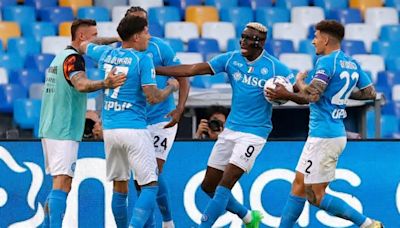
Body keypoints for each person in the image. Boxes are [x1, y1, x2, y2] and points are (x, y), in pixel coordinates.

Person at [156, 22, 294, 227]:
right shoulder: (231, 58)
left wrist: (287, 95)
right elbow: (194, 68)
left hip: (254, 134)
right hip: (231, 129)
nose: (242, 41)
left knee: (223, 188)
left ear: (260, 42)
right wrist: (157, 70)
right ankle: (248, 217)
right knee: (208, 186)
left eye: (248, 38)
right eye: (242, 36)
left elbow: (302, 95)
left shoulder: (276, 68)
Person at [265, 20, 383, 228]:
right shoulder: (351, 62)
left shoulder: (327, 62)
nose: (313, 42)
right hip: (330, 133)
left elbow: (312, 95)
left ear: (326, 39)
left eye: (316, 37)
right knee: (298, 186)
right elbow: (369, 93)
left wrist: (297, 84)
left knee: (315, 196)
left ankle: (367, 224)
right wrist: (342, 95)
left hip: (324, 136)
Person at [80, 15, 179, 228]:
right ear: (135, 37)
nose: (148, 36)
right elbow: (152, 97)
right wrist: (171, 87)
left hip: (111, 130)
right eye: (145, 32)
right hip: (133, 128)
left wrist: (115, 39)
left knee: (120, 186)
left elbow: (84, 44)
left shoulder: (107, 53)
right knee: (151, 185)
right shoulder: (143, 59)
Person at [39, 19, 126, 228]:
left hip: (50, 127)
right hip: (64, 129)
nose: (97, 39)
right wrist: (105, 83)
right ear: (82, 37)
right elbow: (80, 84)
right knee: (62, 184)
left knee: (58, 185)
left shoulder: (61, 56)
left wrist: (116, 39)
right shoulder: (74, 60)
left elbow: (97, 43)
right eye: (94, 35)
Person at [125, 6, 190, 228]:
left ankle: (168, 222)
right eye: (138, 25)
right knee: (140, 177)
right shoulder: (122, 51)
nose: (144, 30)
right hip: (135, 120)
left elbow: (183, 76)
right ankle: (151, 224)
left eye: (145, 24)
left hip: (162, 118)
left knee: (152, 171)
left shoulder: (160, 47)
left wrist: (180, 107)